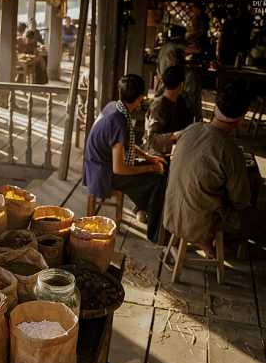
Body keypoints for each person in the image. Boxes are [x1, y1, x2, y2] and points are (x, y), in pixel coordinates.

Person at [162, 83, 252, 257]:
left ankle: (202, 237)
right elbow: (240, 200)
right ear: (241, 119)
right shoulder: (230, 151)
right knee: (255, 217)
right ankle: (206, 237)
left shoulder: (190, 130)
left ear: (215, 107)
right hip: (196, 222)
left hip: (170, 213)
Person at [84, 74, 167, 242]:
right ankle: (155, 232)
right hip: (103, 173)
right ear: (140, 98)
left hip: (97, 164)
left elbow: (125, 146)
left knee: (154, 167)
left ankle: (142, 208)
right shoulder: (119, 121)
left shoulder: (114, 106)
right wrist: (152, 167)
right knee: (157, 179)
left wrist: (148, 157)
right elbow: (119, 168)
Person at [144, 65, 194, 156]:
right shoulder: (159, 106)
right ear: (182, 84)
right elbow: (151, 139)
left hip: (178, 151)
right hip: (157, 156)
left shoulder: (181, 101)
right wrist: (173, 136)